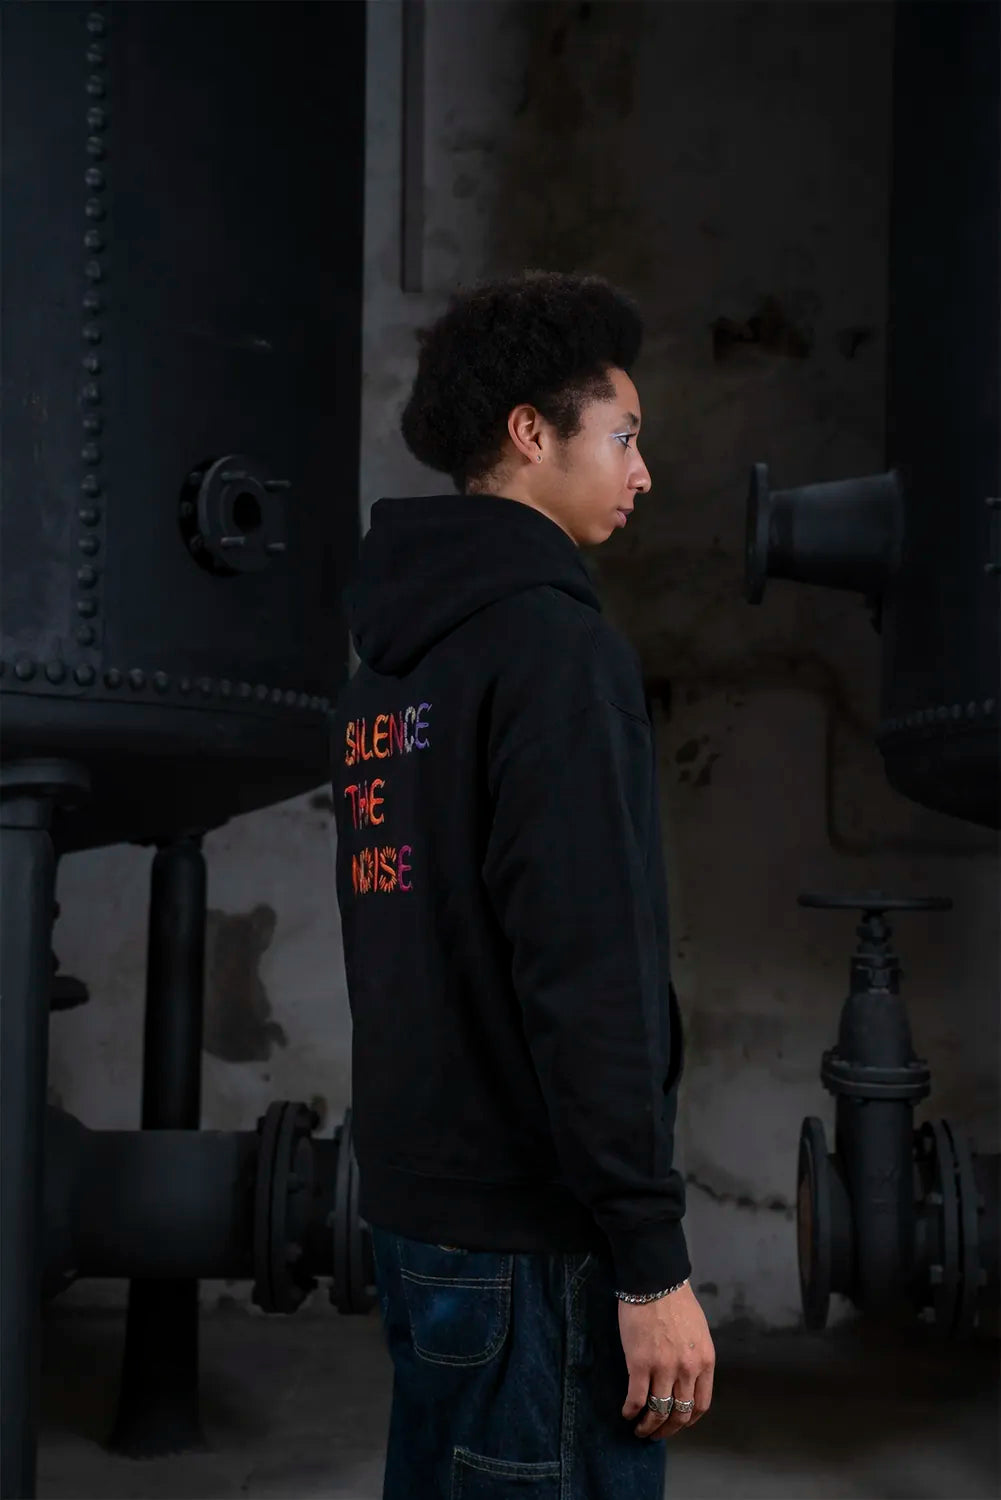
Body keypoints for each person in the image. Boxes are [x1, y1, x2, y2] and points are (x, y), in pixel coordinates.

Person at [331, 270, 715, 1499]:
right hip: (536, 1244)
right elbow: (584, 968)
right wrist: (649, 1263)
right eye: (623, 436)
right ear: (530, 433)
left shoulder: (390, 671)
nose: (641, 472)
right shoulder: (555, 653)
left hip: (420, 1219)